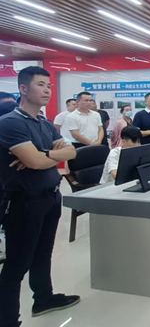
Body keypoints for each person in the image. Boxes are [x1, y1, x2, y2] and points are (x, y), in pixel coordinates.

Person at [0, 66, 79, 325]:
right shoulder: (10, 122)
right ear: (23, 89)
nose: (47, 90)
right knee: (17, 265)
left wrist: (42, 154)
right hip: (24, 201)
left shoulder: (44, 123)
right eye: (40, 85)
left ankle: (43, 299)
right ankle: (8, 320)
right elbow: (34, 162)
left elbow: (70, 153)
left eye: (49, 85)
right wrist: (43, 156)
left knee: (43, 254)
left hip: (51, 196)